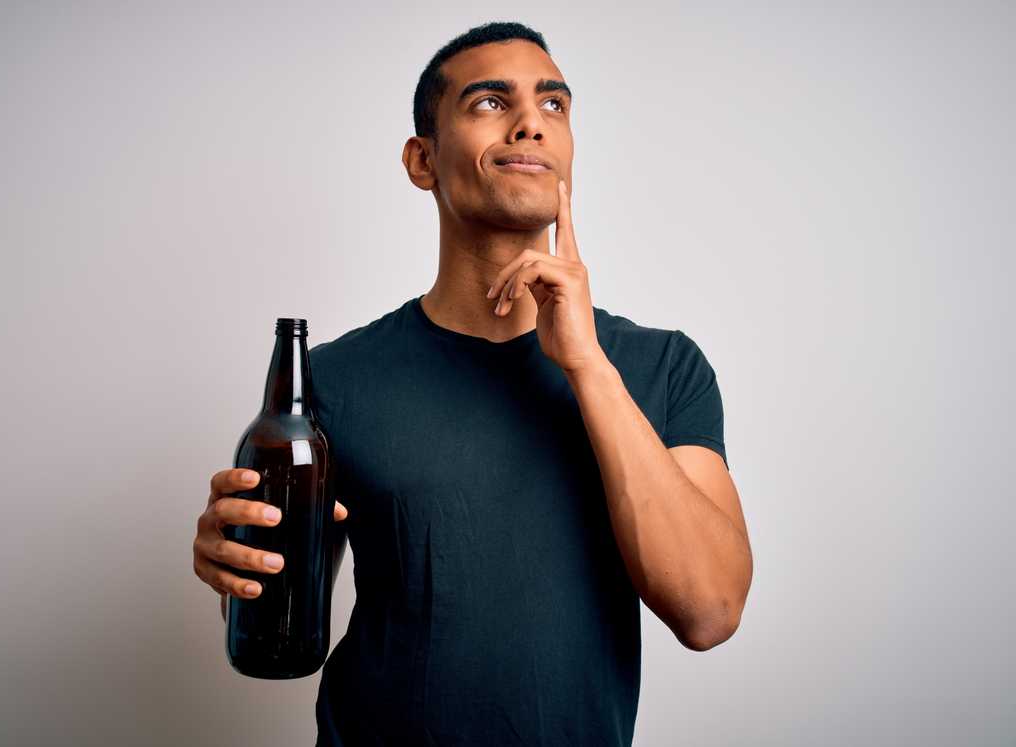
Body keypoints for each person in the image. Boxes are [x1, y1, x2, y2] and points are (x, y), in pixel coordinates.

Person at [193, 21, 753, 746]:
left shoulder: (663, 367)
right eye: (491, 102)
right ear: (422, 160)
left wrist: (587, 365)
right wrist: (234, 565)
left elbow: (709, 611)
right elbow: (282, 627)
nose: (531, 123)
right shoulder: (331, 381)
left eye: (554, 106)